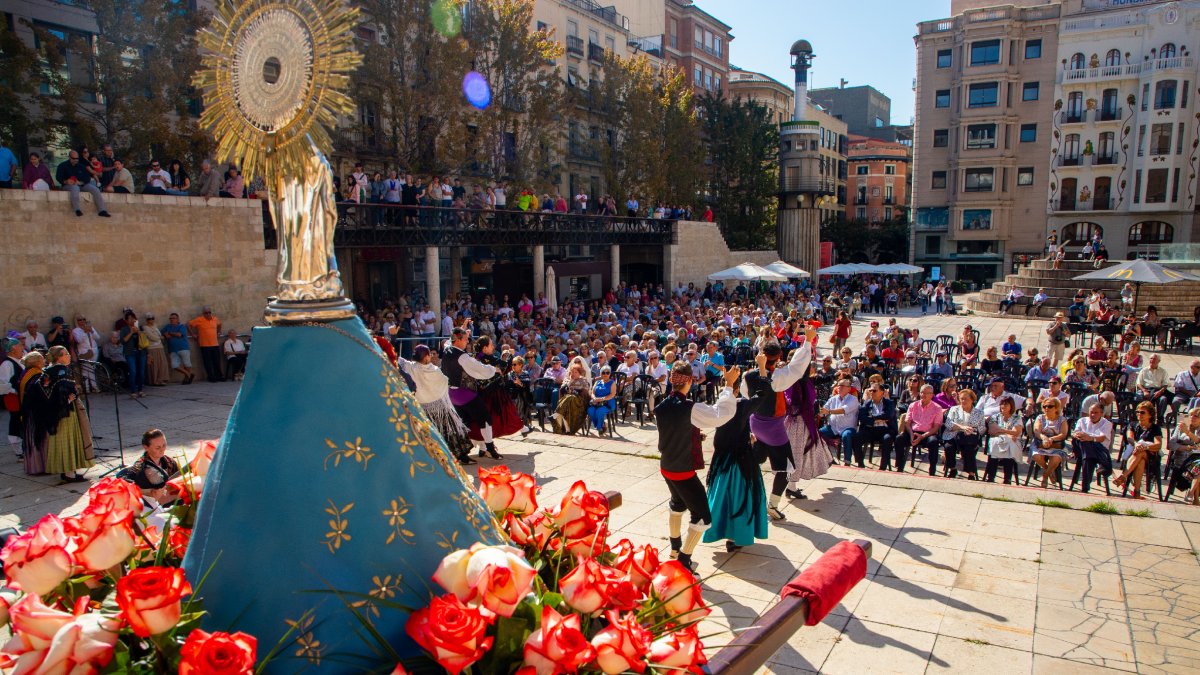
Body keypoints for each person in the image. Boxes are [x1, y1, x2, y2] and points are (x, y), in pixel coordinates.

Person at [654, 361, 739, 570]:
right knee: (702, 517)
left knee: (677, 504)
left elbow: (673, 430)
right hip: (682, 470)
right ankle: (683, 561)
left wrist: (692, 435)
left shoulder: (662, 406)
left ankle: (674, 548)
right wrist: (728, 386)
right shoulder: (689, 408)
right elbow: (721, 415)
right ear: (690, 381)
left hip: (667, 466)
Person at [704, 378, 768, 553]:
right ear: (738, 389)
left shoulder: (717, 406)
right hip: (739, 459)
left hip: (722, 458)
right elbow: (762, 394)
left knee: (721, 497)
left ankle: (722, 531)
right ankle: (736, 536)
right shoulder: (741, 406)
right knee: (740, 497)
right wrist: (762, 370)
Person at [397, 344, 474, 465]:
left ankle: (435, 458)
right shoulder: (434, 370)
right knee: (451, 430)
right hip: (440, 408)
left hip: (422, 409)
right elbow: (444, 381)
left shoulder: (410, 367)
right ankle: (461, 456)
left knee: (430, 435)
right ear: (427, 357)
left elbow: (397, 359)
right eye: (430, 355)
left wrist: (392, 337)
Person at [28, 346, 93, 482]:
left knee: (62, 440)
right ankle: (69, 473)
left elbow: (43, 392)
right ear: (58, 357)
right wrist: (67, 400)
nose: (69, 356)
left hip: (54, 414)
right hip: (65, 412)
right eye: (66, 354)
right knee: (68, 440)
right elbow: (63, 391)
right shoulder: (61, 371)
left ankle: (68, 471)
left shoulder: (47, 371)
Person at [442, 327, 502, 459]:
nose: (467, 341)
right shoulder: (462, 357)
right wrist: (494, 369)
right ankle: (490, 448)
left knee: (464, 423)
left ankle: (461, 452)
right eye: (465, 339)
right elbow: (478, 368)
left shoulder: (447, 349)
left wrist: (463, 329)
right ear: (457, 340)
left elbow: (448, 341)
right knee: (485, 418)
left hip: (451, 394)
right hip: (464, 394)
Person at [118, 429, 181, 507]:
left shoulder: (169, 462)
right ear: (146, 447)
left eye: (164, 445)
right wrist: (148, 492)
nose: (162, 450)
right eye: (157, 448)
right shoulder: (140, 468)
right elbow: (124, 484)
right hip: (153, 509)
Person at [1114, 401, 1162, 500]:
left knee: (1141, 453)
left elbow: (1158, 444)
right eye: (1138, 412)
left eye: (1142, 412)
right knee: (1140, 461)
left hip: (1151, 457)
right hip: (1136, 455)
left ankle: (1123, 476)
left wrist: (1145, 447)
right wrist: (1137, 445)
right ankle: (1136, 492)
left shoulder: (1155, 428)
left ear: (1150, 415)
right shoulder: (1133, 425)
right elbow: (1129, 438)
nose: (1139, 414)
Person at [942, 389, 985, 479]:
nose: (963, 401)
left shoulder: (979, 413)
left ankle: (971, 473)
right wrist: (962, 427)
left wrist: (972, 431)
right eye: (961, 399)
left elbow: (982, 429)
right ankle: (953, 469)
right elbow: (948, 424)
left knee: (969, 448)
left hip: (970, 436)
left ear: (972, 400)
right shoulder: (954, 409)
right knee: (948, 447)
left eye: (966, 399)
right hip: (953, 434)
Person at [1072, 403, 1114, 494]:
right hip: (1081, 447)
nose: (1093, 415)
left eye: (1096, 413)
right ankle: (1103, 464)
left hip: (1099, 449)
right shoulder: (1082, 420)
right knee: (1084, 443)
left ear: (1101, 413)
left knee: (1088, 456)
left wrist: (1090, 438)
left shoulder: (1107, 423)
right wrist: (1082, 436)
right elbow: (1075, 433)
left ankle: (1085, 487)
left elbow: (1102, 438)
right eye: (1091, 412)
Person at [55, 150, 110, 217]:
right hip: (68, 185)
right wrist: (66, 181)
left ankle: (102, 210)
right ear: (70, 158)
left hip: (82, 184)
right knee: (75, 188)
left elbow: (87, 177)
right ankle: (77, 209)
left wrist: (81, 182)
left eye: (77, 158)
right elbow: (58, 177)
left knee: (95, 189)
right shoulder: (62, 166)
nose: (76, 160)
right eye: (74, 159)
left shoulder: (81, 166)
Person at [904, 384, 944, 475]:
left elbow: (936, 427)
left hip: (928, 433)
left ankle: (932, 468)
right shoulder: (913, 405)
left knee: (933, 442)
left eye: (927, 393)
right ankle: (899, 465)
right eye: (922, 392)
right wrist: (911, 434)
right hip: (913, 432)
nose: (924, 395)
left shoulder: (937, 408)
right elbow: (907, 422)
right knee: (899, 439)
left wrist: (922, 436)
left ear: (932, 395)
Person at [819, 379, 860, 467]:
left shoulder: (853, 399)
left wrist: (829, 411)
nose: (839, 387)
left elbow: (843, 410)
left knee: (846, 435)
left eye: (842, 386)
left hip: (848, 427)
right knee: (818, 434)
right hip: (833, 427)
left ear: (849, 389)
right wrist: (819, 412)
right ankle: (829, 458)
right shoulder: (833, 399)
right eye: (838, 385)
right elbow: (823, 411)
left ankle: (847, 461)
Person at [1031, 396, 1070, 488]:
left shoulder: (1062, 420)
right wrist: (1044, 437)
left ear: (1056, 407)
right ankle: (1049, 471)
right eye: (1045, 406)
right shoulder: (1040, 418)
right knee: (1036, 456)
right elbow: (1037, 431)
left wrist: (1051, 439)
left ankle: (1045, 476)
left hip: (1056, 444)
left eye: (1050, 406)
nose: (1047, 408)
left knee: (1056, 458)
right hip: (1041, 443)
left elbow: (1063, 434)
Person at [860, 383, 898, 471]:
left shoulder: (889, 403)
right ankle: (860, 464)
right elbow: (861, 417)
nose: (871, 392)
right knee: (856, 438)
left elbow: (888, 415)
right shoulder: (867, 403)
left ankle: (883, 467)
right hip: (871, 429)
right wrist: (875, 420)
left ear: (882, 392)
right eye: (870, 391)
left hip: (886, 429)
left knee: (887, 439)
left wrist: (873, 417)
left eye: (874, 390)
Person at [985, 396, 1023, 484]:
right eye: (1002, 404)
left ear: (1011, 406)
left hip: (1013, 442)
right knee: (994, 443)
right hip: (998, 440)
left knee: (1009, 445)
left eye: (1006, 404)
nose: (1003, 406)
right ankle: (991, 477)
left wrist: (1001, 430)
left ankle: (1007, 478)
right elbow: (992, 431)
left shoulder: (1017, 418)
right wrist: (1008, 433)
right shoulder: (995, 417)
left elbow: (1016, 432)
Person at [551, 359, 591, 435]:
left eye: (576, 372)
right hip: (568, 402)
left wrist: (575, 391)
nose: (574, 373)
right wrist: (570, 382)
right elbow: (562, 391)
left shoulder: (583, 380)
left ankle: (556, 415)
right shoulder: (568, 380)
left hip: (580, 403)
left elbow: (585, 394)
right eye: (572, 372)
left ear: (579, 373)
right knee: (569, 399)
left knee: (570, 397)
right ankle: (567, 429)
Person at [1, 338, 26, 459]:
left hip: (23, 398)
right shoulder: (7, 364)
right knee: (16, 421)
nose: (23, 347)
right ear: (13, 349)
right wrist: (15, 391)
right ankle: (18, 450)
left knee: (22, 421)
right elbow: (2, 383)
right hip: (14, 398)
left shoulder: (20, 360)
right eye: (20, 345)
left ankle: (25, 446)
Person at [188, 306, 223, 382]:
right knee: (208, 362)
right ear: (203, 313)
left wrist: (219, 332)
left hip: (215, 344)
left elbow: (220, 324)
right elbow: (189, 325)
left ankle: (219, 376)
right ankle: (211, 377)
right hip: (204, 345)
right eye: (206, 313)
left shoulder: (215, 319)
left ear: (211, 312)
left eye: (209, 312)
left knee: (217, 361)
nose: (208, 314)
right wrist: (192, 334)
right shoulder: (199, 320)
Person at [119, 311, 147, 398]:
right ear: (126, 321)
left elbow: (144, 340)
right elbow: (123, 341)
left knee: (141, 372)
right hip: (130, 353)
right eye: (130, 319)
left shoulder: (140, 328)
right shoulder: (124, 329)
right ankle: (133, 391)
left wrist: (138, 332)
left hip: (141, 352)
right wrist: (131, 332)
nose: (132, 320)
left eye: (133, 318)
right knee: (133, 371)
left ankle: (140, 390)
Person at [161, 313, 194, 384]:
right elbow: (162, 332)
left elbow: (179, 335)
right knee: (174, 365)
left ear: (177, 319)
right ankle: (188, 374)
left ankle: (186, 379)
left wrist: (169, 333)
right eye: (170, 318)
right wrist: (165, 334)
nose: (172, 319)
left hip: (183, 348)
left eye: (173, 318)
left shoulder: (181, 326)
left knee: (187, 364)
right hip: (172, 350)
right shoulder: (167, 326)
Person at [142, 314, 170, 386]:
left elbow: (158, 335)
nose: (151, 320)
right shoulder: (145, 327)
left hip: (160, 347)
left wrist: (159, 337)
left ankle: (161, 379)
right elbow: (151, 337)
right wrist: (160, 337)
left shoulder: (155, 326)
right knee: (154, 364)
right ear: (147, 320)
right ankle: (155, 380)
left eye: (152, 318)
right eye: (149, 319)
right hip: (152, 348)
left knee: (162, 363)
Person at [587, 367, 616, 433]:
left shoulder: (612, 383)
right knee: (590, 410)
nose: (605, 374)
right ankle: (601, 425)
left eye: (607, 372)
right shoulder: (597, 382)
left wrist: (602, 399)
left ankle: (599, 427)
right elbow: (592, 393)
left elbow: (612, 394)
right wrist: (594, 398)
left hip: (607, 403)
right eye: (603, 373)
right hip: (597, 402)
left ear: (610, 374)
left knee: (599, 411)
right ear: (601, 374)